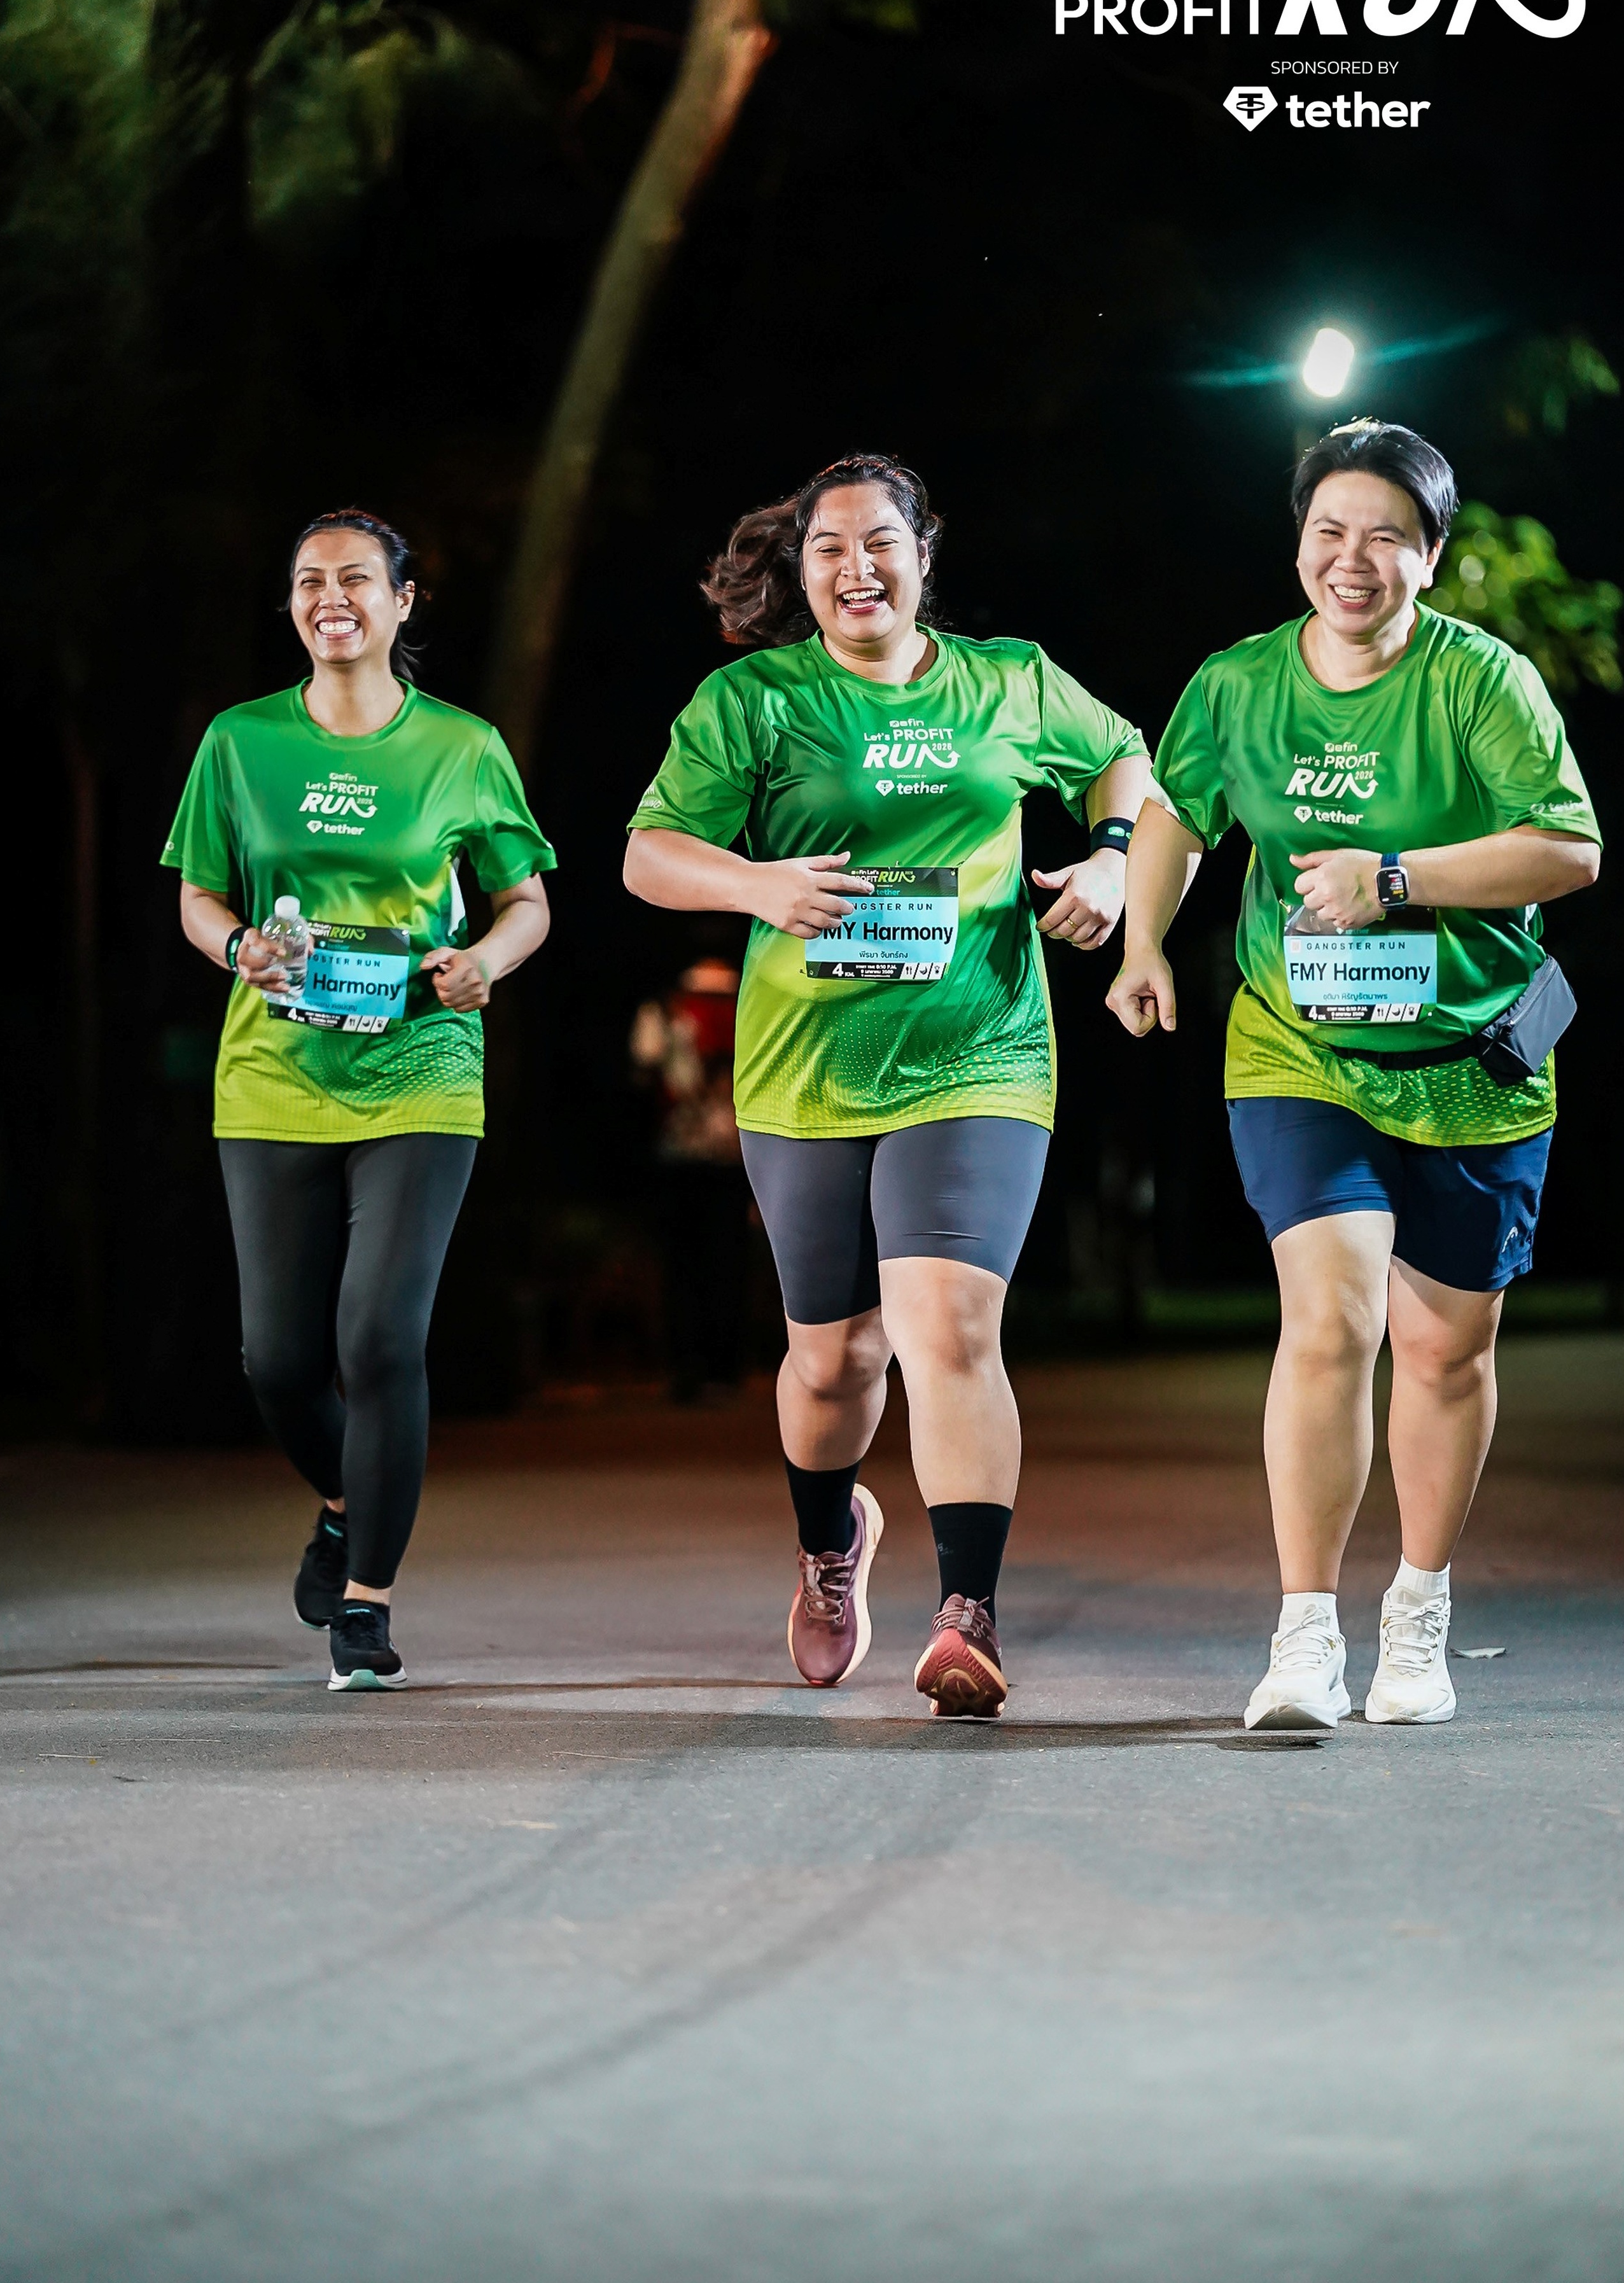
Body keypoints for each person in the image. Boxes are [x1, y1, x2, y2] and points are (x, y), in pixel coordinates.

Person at [625, 452, 1152, 1715]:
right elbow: (650, 854)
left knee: (948, 1328)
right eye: (829, 549)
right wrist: (756, 883)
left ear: (924, 555)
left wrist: (1112, 859)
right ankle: (830, 1541)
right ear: (800, 571)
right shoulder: (754, 699)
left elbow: (1122, 756)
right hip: (808, 1065)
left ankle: (967, 1614)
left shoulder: (1007, 680)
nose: (857, 568)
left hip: (979, 1049)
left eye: (881, 544)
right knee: (833, 1361)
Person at [1109, 419, 1601, 1731]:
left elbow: (1569, 849)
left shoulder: (1482, 682)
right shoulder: (1238, 685)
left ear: (1430, 555)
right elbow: (1176, 812)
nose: (1353, 558)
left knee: (1444, 1347)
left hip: (1474, 1056)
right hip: (1300, 1043)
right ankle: (1304, 1637)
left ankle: (1418, 1615)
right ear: (1298, 545)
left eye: (1387, 535)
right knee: (1330, 1321)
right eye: (1329, 530)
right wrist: (1144, 939)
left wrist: (1396, 877)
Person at [163, 509, 556, 1691]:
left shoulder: (463, 747)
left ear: (402, 601)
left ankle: (367, 1602)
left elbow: (527, 903)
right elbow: (198, 895)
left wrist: (485, 963)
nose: (329, 598)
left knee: (379, 1336)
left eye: (354, 579)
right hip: (273, 1076)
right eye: (308, 582)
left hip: (421, 1067)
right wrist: (236, 947)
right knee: (280, 1361)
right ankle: (345, 1501)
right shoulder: (239, 743)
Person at [629, 956, 751, 1400]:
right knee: (697, 1264)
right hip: (691, 1156)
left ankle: (716, 1369)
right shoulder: (668, 1016)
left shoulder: (736, 1015)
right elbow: (648, 1070)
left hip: (723, 1157)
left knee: (717, 1263)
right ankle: (696, 1369)